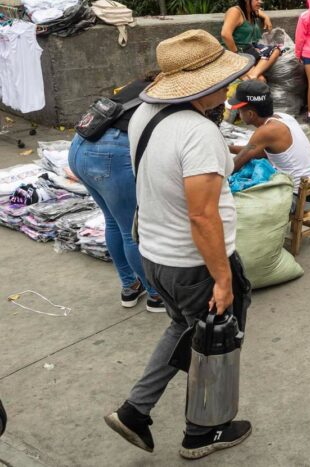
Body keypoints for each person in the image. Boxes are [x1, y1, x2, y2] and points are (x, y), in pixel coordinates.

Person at [103, 29, 253, 459]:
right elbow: (202, 215)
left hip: (156, 256)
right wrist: (223, 279)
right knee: (215, 345)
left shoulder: (144, 113)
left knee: (185, 328)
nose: (228, 87)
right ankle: (204, 432)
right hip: (195, 264)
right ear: (201, 85)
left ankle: (135, 410)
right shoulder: (197, 133)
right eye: (222, 80)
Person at [68, 72, 165, 313]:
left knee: (113, 222)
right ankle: (156, 295)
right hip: (109, 154)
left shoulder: (143, 84)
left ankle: (130, 286)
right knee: (133, 229)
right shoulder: (172, 95)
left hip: (79, 146)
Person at [226, 80, 310, 199]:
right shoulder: (284, 117)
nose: (239, 114)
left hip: (298, 198)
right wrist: (228, 148)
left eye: (240, 111)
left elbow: (234, 166)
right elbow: (258, 153)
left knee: (233, 199)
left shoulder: (265, 132)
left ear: (250, 114)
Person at [220, 0, 281, 82]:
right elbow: (225, 34)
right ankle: (255, 76)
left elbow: (259, 12)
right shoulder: (235, 12)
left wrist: (266, 17)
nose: (259, 2)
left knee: (276, 50)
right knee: (261, 81)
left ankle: (254, 74)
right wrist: (236, 55)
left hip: (250, 50)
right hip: (235, 53)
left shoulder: (252, 11)